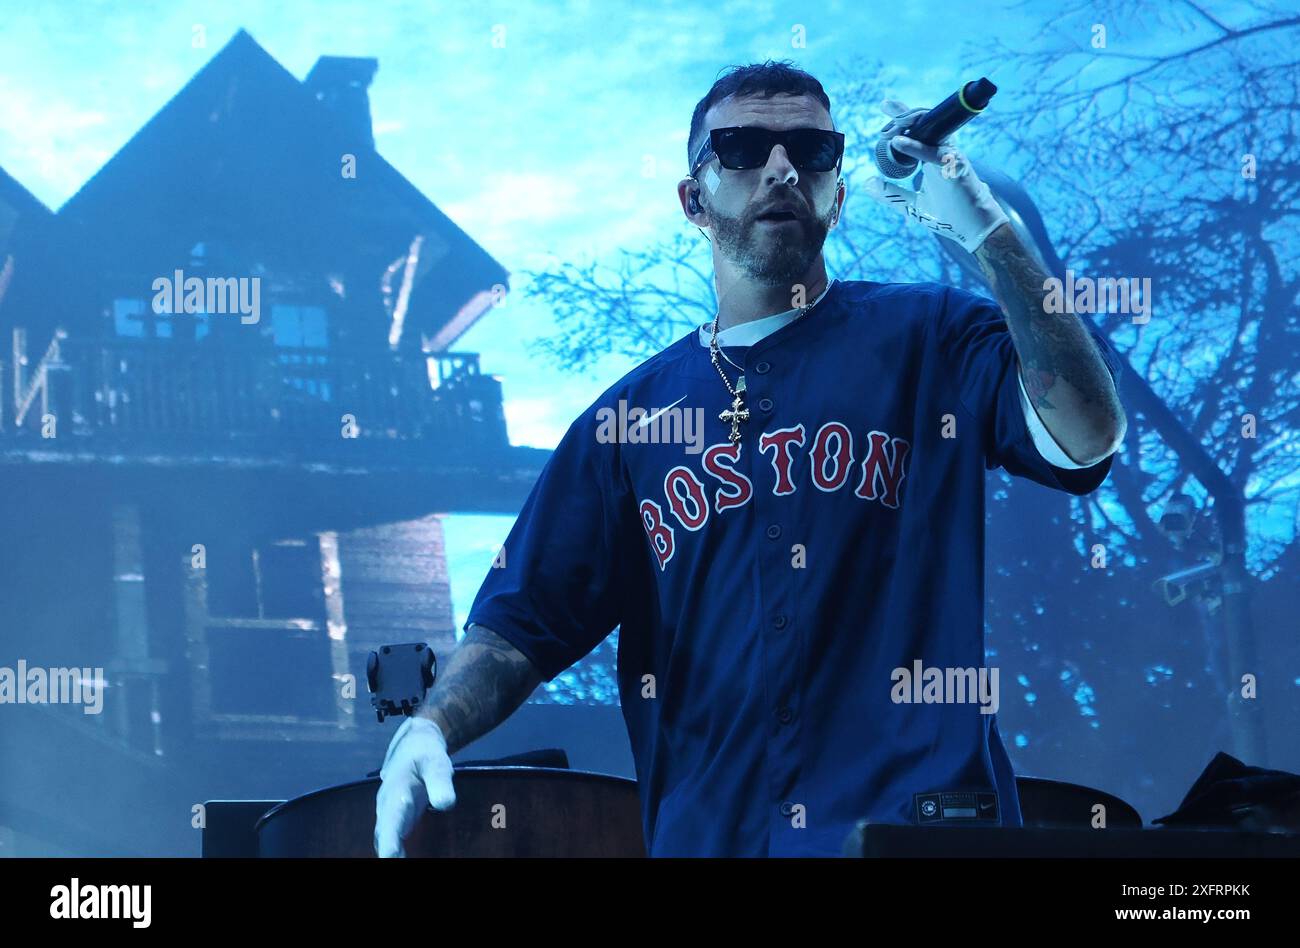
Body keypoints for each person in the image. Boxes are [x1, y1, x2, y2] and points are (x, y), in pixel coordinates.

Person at [374, 60, 1127, 858]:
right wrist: (429, 726)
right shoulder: (628, 422)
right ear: (693, 199)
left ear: (836, 187)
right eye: (741, 148)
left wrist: (985, 230)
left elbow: (1087, 430)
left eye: (812, 150)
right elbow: (519, 626)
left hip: (919, 839)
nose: (781, 168)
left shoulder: (933, 337)